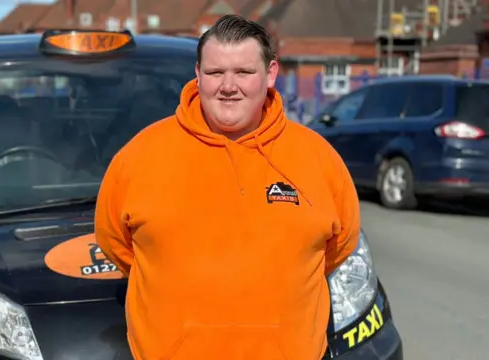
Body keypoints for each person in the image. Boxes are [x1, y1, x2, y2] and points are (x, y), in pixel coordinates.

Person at [94, 14, 360, 360]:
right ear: (198, 75)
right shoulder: (140, 156)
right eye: (215, 72)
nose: (228, 86)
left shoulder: (318, 158)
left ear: (270, 75)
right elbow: (117, 243)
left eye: (244, 72)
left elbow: (338, 247)